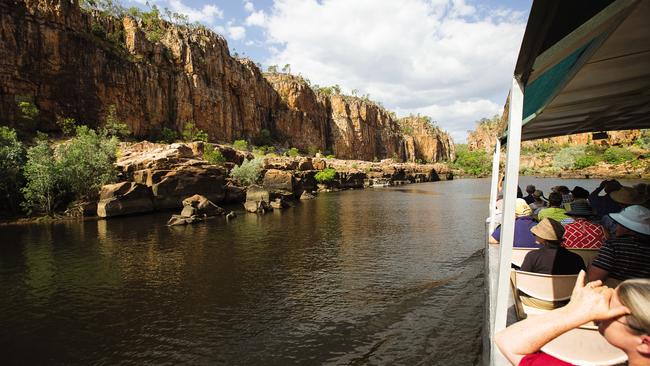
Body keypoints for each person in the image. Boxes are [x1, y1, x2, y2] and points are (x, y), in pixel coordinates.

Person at [496, 272, 650, 366]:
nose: (602, 310)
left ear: (645, 343)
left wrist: (574, 309)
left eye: (611, 310)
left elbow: (507, 340)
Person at [588, 205, 650, 283]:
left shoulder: (613, 246)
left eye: (619, 224)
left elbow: (594, 279)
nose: (616, 227)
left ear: (626, 228)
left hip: (618, 292)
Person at [521, 218, 585, 275]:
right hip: (567, 288)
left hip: (537, 288)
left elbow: (523, 278)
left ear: (543, 237)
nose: (534, 235)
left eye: (535, 234)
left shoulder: (532, 256)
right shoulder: (576, 258)